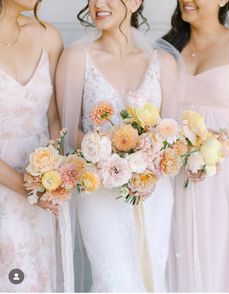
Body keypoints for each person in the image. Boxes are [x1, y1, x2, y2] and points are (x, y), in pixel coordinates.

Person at [56, 0, 182, 292]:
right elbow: (65, 130)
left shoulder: (163, 62)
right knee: (114, 281)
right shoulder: (76, 57)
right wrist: (104, 152)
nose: (99, 4)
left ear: (136, 1)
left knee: (153, 275)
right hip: (101, 190)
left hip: (154, 191)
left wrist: (149, 156)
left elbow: (173, 133)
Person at [163, 0, 229, 291]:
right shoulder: (164, 49)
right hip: (173, 175)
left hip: (224, 177)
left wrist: (222, 144)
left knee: (217, 257)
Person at [0, 0, 63, 291]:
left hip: (42, 193)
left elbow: (54, 117)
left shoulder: (48, 36)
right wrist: (25, 187)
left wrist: (51, 177)